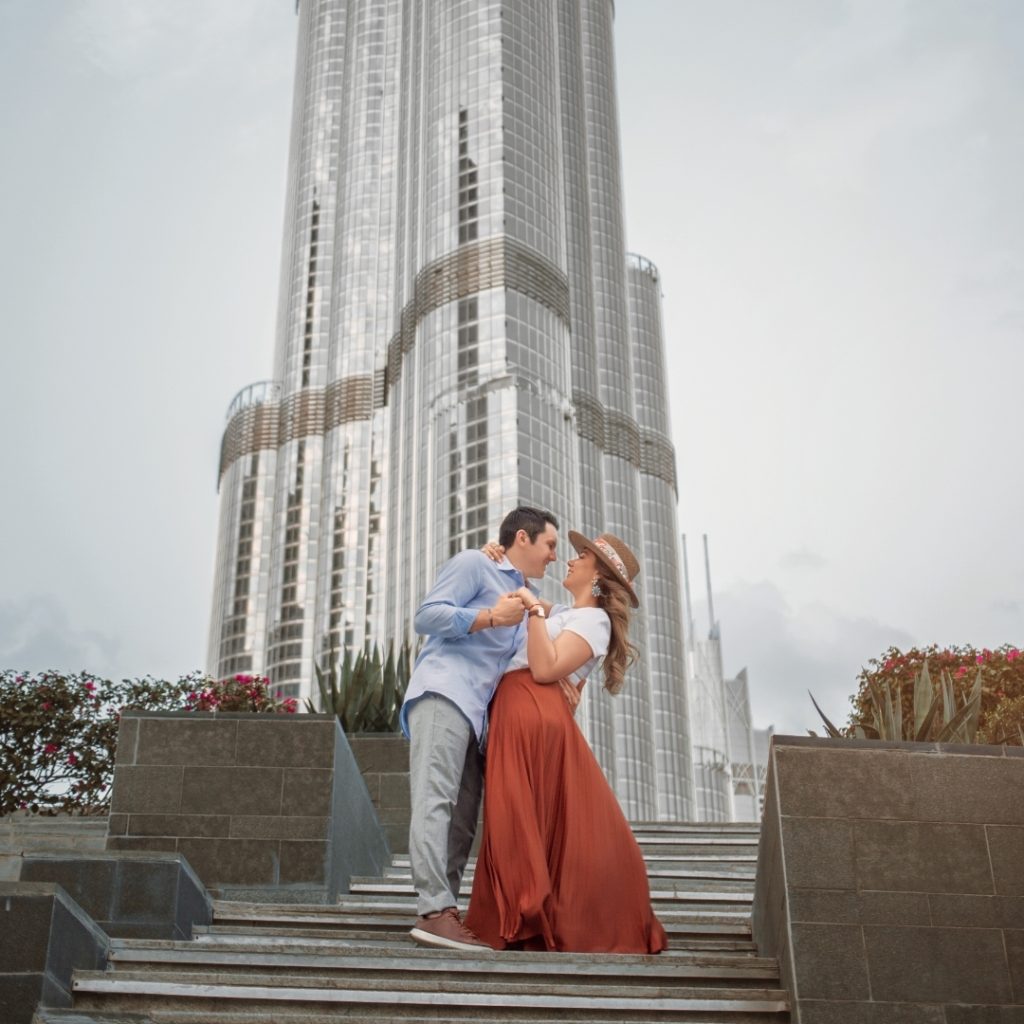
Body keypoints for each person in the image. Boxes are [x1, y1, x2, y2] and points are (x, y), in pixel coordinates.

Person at [464, 530, 668, 954]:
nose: (571, 560)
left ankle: (522, 915)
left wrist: (534, 608)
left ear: (598, 576)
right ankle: (521, 915)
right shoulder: (568, 613)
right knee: (518, 813)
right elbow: (515, 590)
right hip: (520, 709)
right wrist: (493, 556)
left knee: (517, 812)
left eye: (582, 557)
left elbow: (544, 669)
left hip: (530, 709)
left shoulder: (594, 620)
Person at [400, 505, 559, 952]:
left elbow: (571, 620)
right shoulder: (475, 563)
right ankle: (434, 910)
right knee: (435, 800)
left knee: (463, 820)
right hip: (444, 693)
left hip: (479, 717)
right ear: (523, 538)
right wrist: (490, 617)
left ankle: (441, 913)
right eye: (549, 545)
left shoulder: (529, 597)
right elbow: (426, 616)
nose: (553, 555)